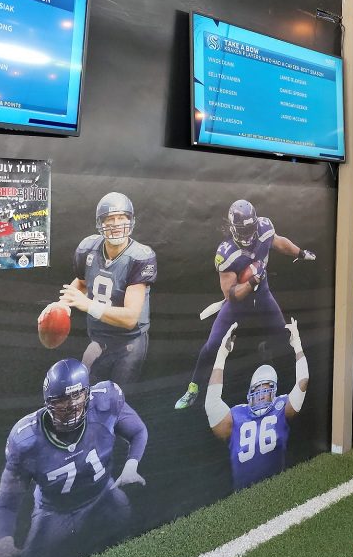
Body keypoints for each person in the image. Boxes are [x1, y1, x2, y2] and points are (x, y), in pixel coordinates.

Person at [0, 358, 148, 557]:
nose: (71, 405)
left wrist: (132, 465)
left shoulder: (105, 401)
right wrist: (4, 540)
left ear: (87, 393)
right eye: (61, 399)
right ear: (48, 403)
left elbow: (138, 431)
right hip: (54, 512)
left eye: (76, 395)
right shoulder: (27, 439)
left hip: (103, 497)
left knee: (132, 544)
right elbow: (7, 502)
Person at [175, 199, 315, 410]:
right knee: (212, 345)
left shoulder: (264, 227)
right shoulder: (226, 253)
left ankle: (288, 382)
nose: (249, 234)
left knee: (282, 335)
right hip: (239, 303)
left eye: (251, 228)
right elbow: (231, 295)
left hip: (264, 294)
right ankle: (193, 387)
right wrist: (251, 281)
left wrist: (300, 252)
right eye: (244, 229)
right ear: (233, 228)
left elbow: (278, 241)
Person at [58, 192, 157, 389]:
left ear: (131, 221)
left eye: (122, 218)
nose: (116, 224)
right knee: (84, 392)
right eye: (110, 219)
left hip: (128, 344)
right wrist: (61, 306)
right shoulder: (88, 249)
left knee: (118, 399)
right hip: (99, 339)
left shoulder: (139, 257)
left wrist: (88, 304)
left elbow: (130, 318)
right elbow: (82, 282)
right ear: (100, 223)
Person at [204, 319, 308, 491]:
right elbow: (211, 403)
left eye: (265, 389)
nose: (260, 394)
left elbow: (303, 382)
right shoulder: (237, 414)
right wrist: (221, 354)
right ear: (250, 392)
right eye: (257, 389)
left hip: (276, 487)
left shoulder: (280, 407)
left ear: (273, 392)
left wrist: (297, 344)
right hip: (242, 492)